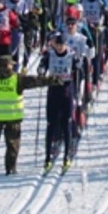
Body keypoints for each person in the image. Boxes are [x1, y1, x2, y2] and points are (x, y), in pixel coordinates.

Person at [37, 31, 80, 171]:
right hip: (53, 91)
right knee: (51, 124)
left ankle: (67, 156)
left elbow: (80, 72)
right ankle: (47, 157)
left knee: (67, 124)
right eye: (58, 44)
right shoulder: (49, 54)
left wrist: (79, 69)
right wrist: (42, 70)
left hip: (67, 92)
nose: (60, 47)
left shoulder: (72, 55)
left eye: (62, 44)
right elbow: (42, 66)